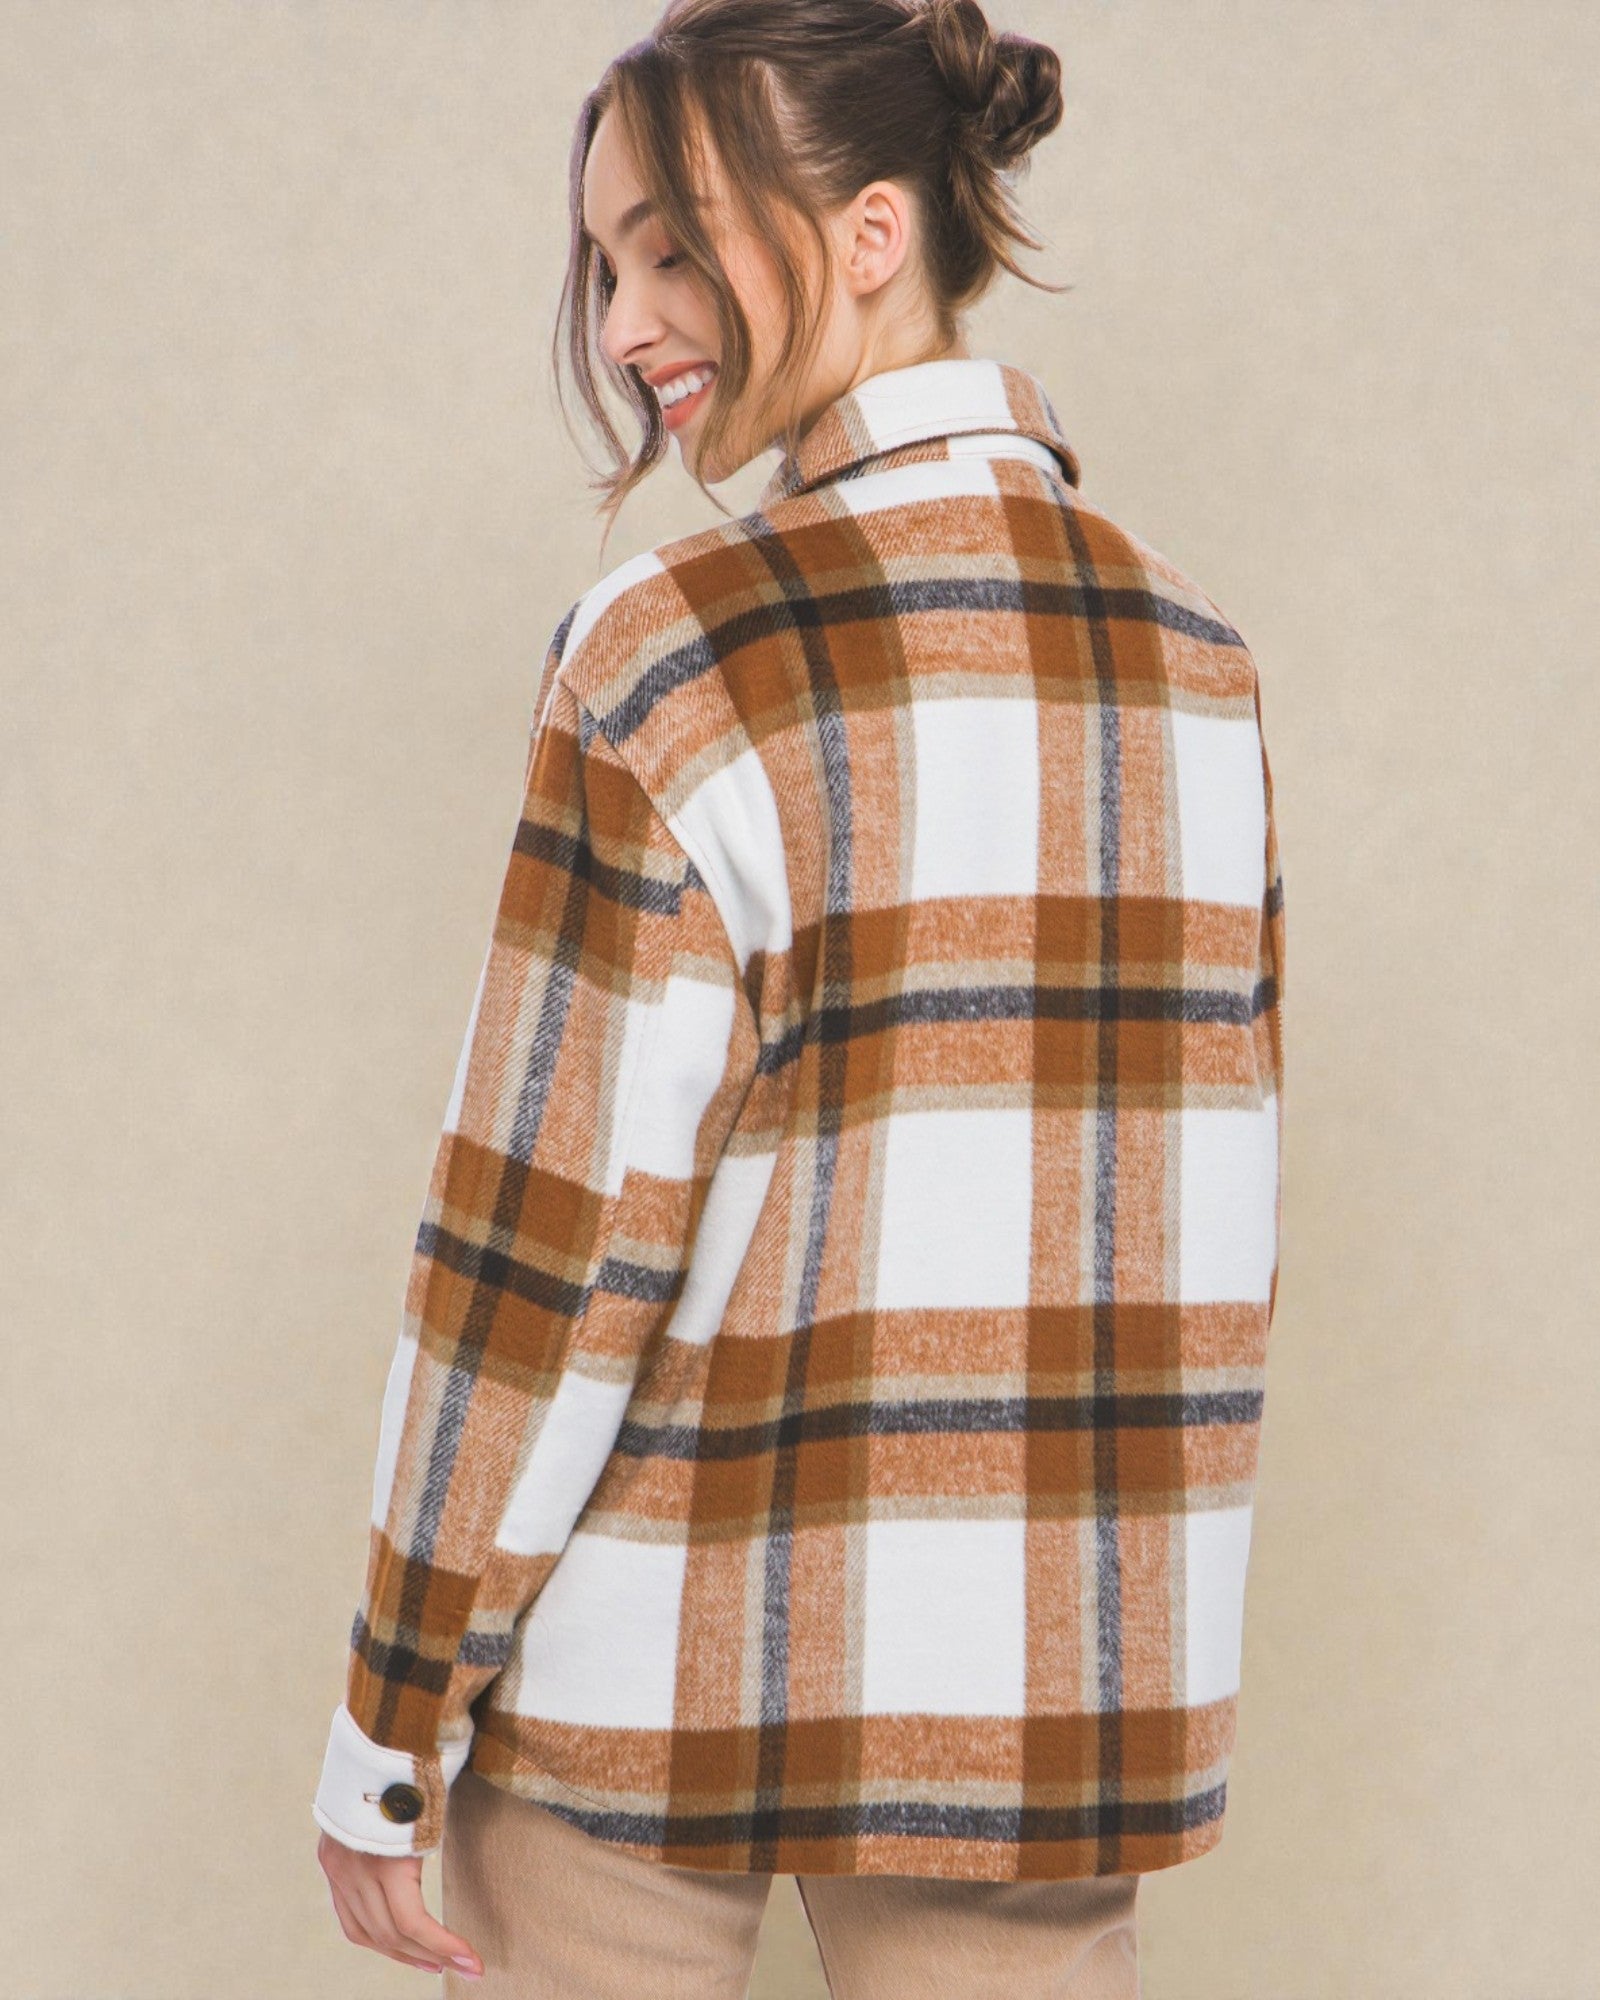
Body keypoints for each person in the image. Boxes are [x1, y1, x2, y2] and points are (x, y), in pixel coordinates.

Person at [311, 0, 1287, 1992]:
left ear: (865, 232)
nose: (621, 319)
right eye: (604, 259)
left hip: (645, 1677)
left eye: (672, 243)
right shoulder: (1193, 663)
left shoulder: (673, 649)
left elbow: (551, 1238)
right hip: (1041, 1690)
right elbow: (1201, 1235)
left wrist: (393, 1713)